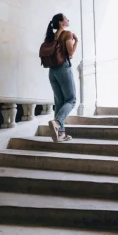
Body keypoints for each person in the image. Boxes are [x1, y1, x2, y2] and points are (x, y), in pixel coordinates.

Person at [44, 13, 78, 142]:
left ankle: (60, 134)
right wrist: (76, 41)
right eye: (66, 19)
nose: (68, 20)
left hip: (52, 71)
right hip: (63, 69)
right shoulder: (67, 34)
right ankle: (57, 122)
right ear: (61, 22)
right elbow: (70, 53)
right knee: (71, 100)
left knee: (59, 102)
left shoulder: (52, 36)